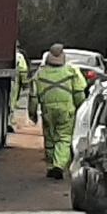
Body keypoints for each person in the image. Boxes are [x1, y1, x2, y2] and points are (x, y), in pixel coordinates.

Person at [27, 44, 87, 179]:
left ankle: (50, 166)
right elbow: (79, 93)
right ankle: (58, 165)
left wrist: (32, 113)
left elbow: (33, 97)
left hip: (47, 110)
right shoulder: (72, 71)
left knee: (49, 138)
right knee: (64, 138)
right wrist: (81, 109)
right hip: (67, 110)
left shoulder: (40, 73)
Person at [9, 43, 29, 132]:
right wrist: (25, 83)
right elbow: (23, 70)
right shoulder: (19, 57)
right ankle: (9, 122)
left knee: (9, 101)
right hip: (14, 81)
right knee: (12, 102)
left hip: (8, 79)